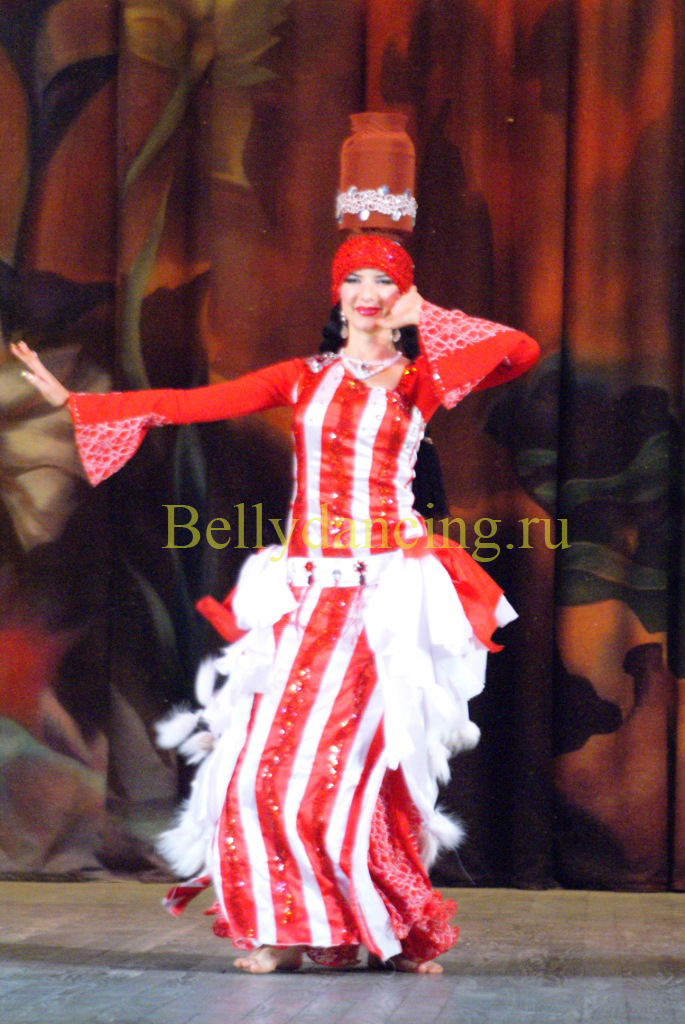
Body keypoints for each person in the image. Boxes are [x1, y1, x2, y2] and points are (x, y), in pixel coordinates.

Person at [12, 232, 539, 974]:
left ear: (401, 295)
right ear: (336, 295)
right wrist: (78, 402)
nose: (366, 293)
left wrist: (425, 315)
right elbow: (189, 404)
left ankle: (384, 926)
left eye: (382, 281)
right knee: (264, 767)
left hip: (382, 602)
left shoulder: (418, 381)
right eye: (353, 279)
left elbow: (518, 350)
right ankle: (290, 929)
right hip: (304, 597)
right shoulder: (302, 376)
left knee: (353, 777)